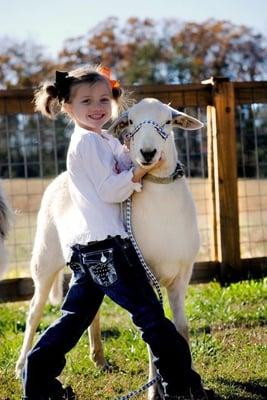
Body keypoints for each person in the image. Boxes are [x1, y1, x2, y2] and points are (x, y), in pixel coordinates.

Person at [22, 65, 209, 400]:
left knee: (73, 320)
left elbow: (122, 162)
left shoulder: (103, 138)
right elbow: (111, 190)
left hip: (93, 252)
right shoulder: (86, 144)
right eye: (86, 101)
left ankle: (37, 382)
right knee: (151, 317)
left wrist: (135, 151)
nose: (97, 107)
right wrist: (137, 173)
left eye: (104, 99)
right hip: (104, 252)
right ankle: (183, 387)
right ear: (67, 106)